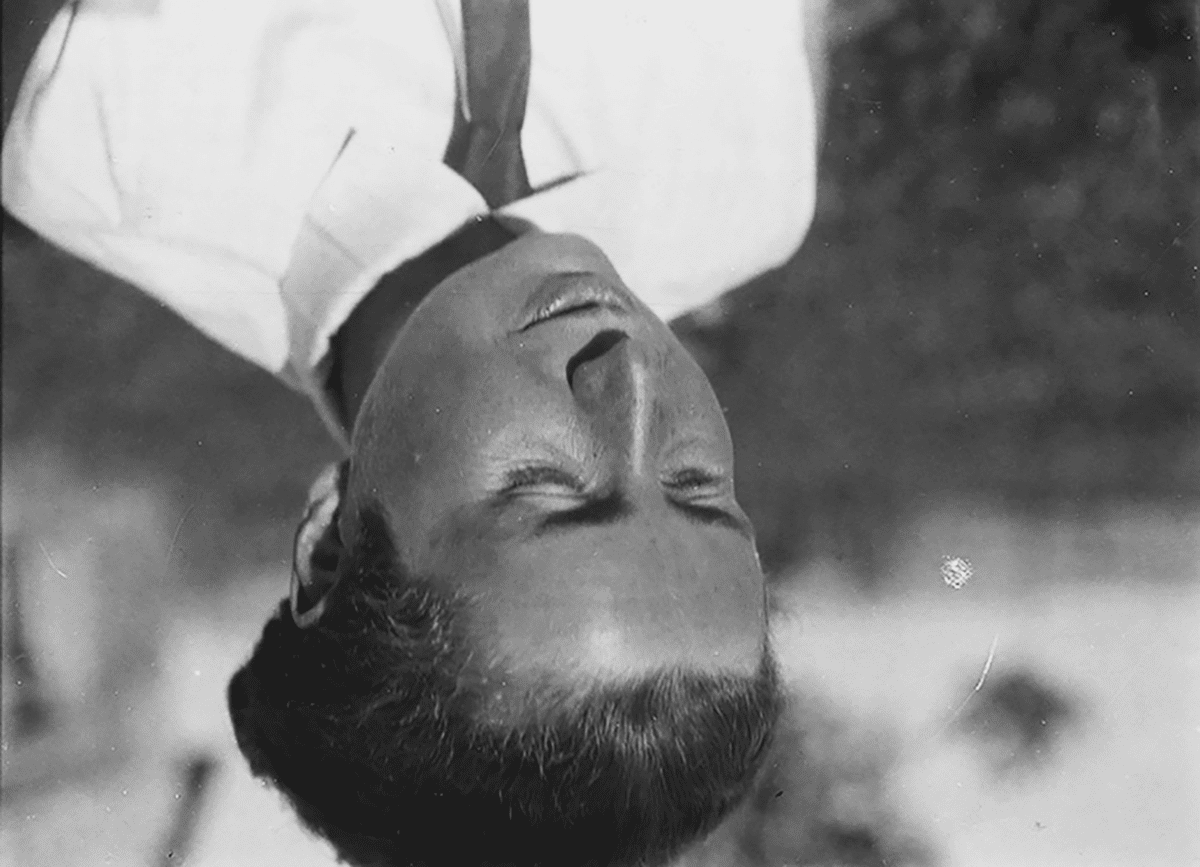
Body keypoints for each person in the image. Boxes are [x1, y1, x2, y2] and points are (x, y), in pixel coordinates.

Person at [2, 1, 828, 864]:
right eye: (699, 483)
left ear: (331, 542)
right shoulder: (752, 192)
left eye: (551, 484)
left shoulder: (85, 114)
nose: (632, 379)